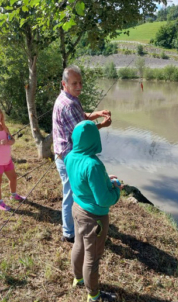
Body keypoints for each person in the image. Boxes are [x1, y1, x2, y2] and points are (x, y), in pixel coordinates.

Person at [53, 65, 112, 243]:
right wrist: (102, 125)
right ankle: (69, 233)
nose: (79, 86)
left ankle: (77, 224)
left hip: (66, 154)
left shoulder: (70, 98)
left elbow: (82, 118)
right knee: (71, 193)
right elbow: (81, 135)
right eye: (74, 83)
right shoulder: (69, 104)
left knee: (75, 192)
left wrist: (96, 115)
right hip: (68, 156)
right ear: (64, 83)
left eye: (80, 82)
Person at [66, 120, 122, 302]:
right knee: (92, 257)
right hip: (94, 218)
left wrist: (106, 179)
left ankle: (78, 279)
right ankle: (94, 295)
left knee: (78, 245)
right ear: (95, 140)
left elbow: (84, 181)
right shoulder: (93, 165)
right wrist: (116, 188)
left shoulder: (70, 156)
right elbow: (104, 199)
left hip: (77, 208)